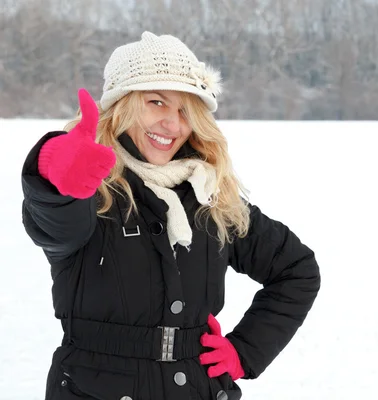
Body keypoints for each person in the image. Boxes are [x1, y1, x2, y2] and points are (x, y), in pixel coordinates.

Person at [21, 31, 321, 400]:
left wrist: (244, 352)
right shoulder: (92, 194)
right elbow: (54, 221)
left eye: (184, 110)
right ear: (122, 105)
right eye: (156, 102)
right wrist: (54, 172)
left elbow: (296, 270)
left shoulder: (211, 199)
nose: (173, 124)